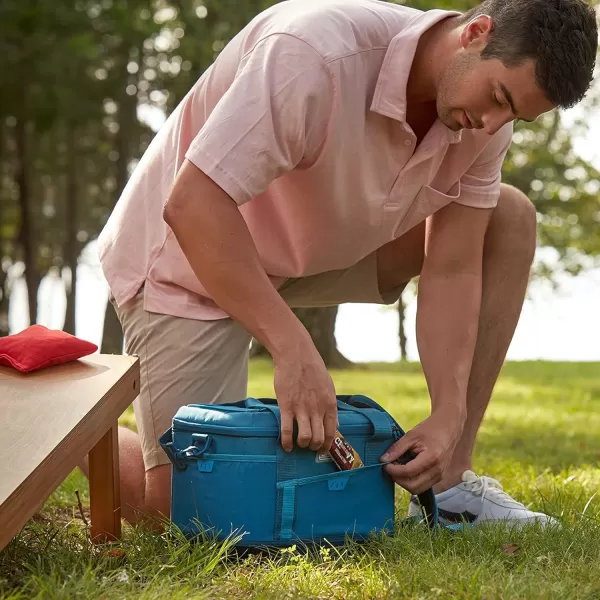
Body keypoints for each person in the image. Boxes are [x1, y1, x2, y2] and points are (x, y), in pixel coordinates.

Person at [94, 0, 597, 527]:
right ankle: (73, 427)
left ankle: (450, 486)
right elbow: (192, 205)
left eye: (514, 114)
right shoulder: (310, 52)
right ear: (475, 32)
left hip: (316, 246)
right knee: (189, 516)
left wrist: (450, 412)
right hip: (192, 253)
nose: (493, 124)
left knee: (506, 217)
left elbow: (454, 267)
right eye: (497, 97)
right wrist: (292, 347)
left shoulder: (485, 125)